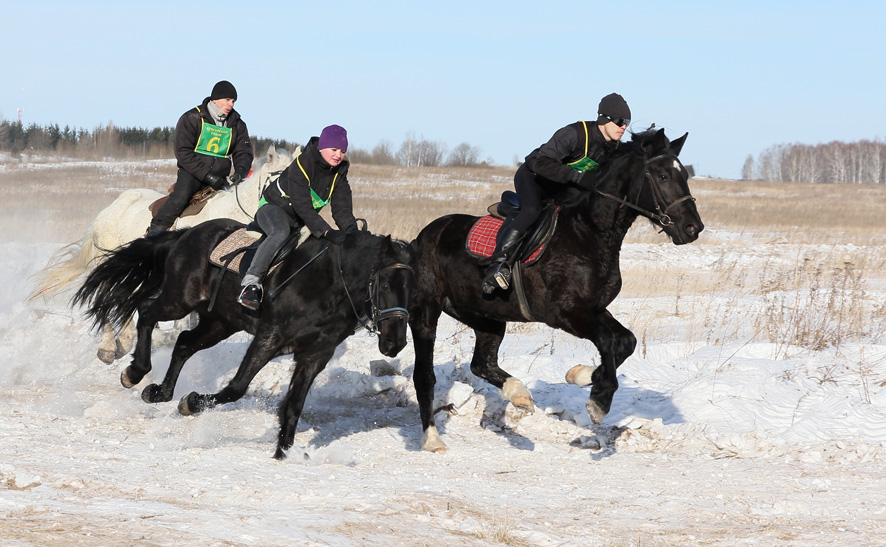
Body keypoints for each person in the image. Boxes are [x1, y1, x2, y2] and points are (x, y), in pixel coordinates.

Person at [480, 92, 632, 294]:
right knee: (531, 211)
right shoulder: (574, 134)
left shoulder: (614, 147)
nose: (624, 127)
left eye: (627, 122)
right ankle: (498, 266)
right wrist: (576, 176)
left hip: (561, 187)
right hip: (533, 176)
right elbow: (542, 163)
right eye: (620, 121)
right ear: (604, 120)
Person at [237, 124, 357, 310]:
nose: (338, 155)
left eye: (342, 151)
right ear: (322, 147)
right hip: (273, 209)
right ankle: (251, 284)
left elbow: (342, 210)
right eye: (334, 149)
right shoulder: (303, 163)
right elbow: (302, 206)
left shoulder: (339, 174)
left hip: (301, 219)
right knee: (280, 232)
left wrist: (352, 234)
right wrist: (326, 231)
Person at [145, 80, 254, 237]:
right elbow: (183, 152)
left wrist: (241, 171)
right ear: (215, 99)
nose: (231, 104)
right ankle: (154, 233)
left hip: (221, 177)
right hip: (192, 174)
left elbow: (243, 151)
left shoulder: (237, 124)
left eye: (233, 101)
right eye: (228, 100)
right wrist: (207, 175)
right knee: (180, 198)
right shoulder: (192, 117)